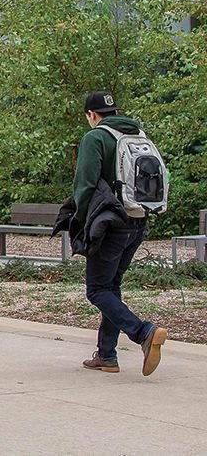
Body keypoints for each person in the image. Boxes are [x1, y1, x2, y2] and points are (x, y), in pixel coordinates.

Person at [76, 91, 168, 376]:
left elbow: (86, 184)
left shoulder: (95, 138)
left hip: (110, 224)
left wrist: (79, 221)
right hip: (138, 221)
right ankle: (107, 356)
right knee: (111, 287)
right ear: (114, 111)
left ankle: (143, 332)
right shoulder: (139, 134)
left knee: (97, 289)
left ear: (91, 115)